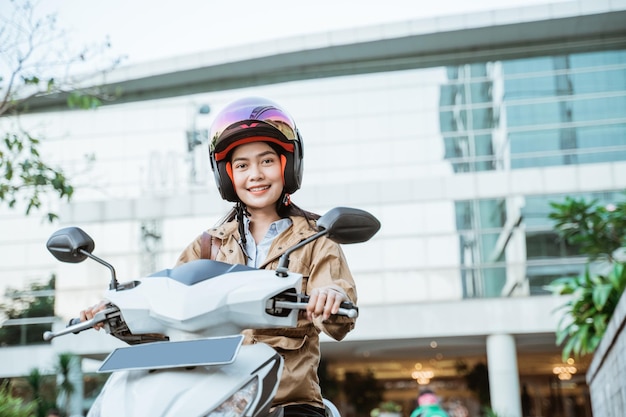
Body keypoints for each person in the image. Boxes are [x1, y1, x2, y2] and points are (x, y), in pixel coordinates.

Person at [80, 96, 358, 417]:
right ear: (227, 175)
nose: (255, 174)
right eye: (242, 165)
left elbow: (339, 311)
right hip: (209, 397)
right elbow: (167, 311)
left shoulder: (315, 238)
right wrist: (116, 314)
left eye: (267, 161)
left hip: (284, 401)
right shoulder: (207, 246)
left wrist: (330, 297)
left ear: (288, 165)